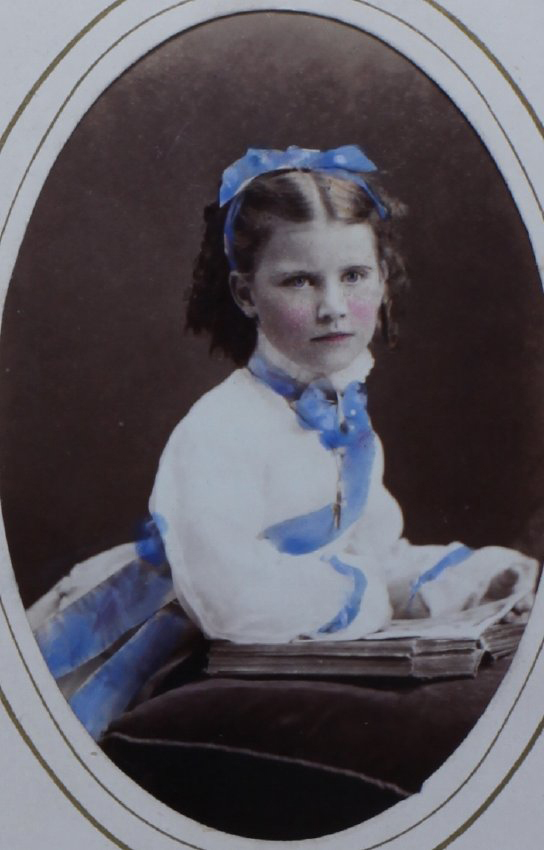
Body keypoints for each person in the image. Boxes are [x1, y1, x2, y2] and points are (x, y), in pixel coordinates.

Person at [149, 144, 538, 645]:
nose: (333, 307)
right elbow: (230, 602)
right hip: (169, 645)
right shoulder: (219, 428)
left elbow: (374, 556)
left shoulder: (346, 423)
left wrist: (478, 581)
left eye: (353, 276)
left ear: (382, 280)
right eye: (299, 281)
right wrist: (366, 594)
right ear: (246, 294)